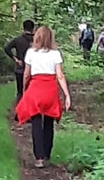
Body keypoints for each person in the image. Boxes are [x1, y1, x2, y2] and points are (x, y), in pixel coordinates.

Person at [15, 26, 71, 168]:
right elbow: (60, 75)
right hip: (50, 90)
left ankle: (39, 157)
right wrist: (66, 95)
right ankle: (46, 153)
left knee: (36, 122)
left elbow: (27, 74)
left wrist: (24, 88)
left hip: (36, 88)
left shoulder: (31, 53)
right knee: (48, 123)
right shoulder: (55, 53)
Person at [4, 19, 35, 102]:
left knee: (20, 92)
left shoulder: (18, 40)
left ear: (23, 28)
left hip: (20, 69)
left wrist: (15, 59)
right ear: (33, 29)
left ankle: (19, 111)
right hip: (34, 69)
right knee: (32, 92)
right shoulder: (36, 40)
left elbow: (7, 48)